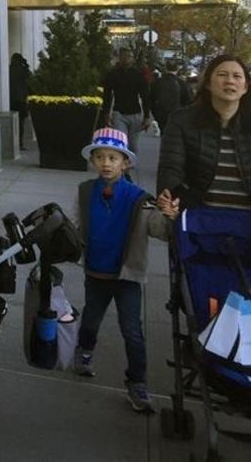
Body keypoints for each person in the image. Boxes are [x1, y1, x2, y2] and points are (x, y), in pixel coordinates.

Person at [72, 128, 177, 413]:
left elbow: (158, 229)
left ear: (125, 163)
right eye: (100, 157)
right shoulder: (85, 192)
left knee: (132, 331)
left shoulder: (138, 198)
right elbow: (77, 227)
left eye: (113, 158)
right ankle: (84, 351)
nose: (106, 163)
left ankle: (137, 382)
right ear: (93, 161)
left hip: (127, 275)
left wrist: (168, 218)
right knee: (91, 319)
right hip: (96, 271)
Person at [157, 54, 251, 213]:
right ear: (208, 83)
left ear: (245, 87)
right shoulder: (182, 121)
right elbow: (171, 168)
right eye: (222, 75)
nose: (230, 81)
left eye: (237, 76)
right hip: (199, 219)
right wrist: (171, 196)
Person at [101, 48, 153, 157]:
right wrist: (106, 113)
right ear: (119, 58)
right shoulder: (112, 74)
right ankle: (121, 163)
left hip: (135, 113)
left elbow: (145, 97)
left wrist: (147, 116)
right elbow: (107, 95)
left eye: (129, 57)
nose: (126, 59)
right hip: (119, 113)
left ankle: (130, 162)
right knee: (121, 140)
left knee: (133, 144)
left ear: (133, 59)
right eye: (124, 56)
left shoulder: (138, 75)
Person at [149, 63, 189, 132]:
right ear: (177, 69)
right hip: (176, 114)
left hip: (161, 114)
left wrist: (154, 113)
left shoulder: (157, 82)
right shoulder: (182, 83)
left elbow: (151, 98)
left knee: (163, 133)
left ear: (165, 68)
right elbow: (187, 101)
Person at [10, 53, 32, 151]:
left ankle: (15, 144)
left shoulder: (9, 69)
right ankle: (20, 143)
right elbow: (30, 79)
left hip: (11, 100)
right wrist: (26, 64)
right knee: (21, 123)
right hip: (21, 100)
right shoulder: (23, 70)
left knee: (16, 122)